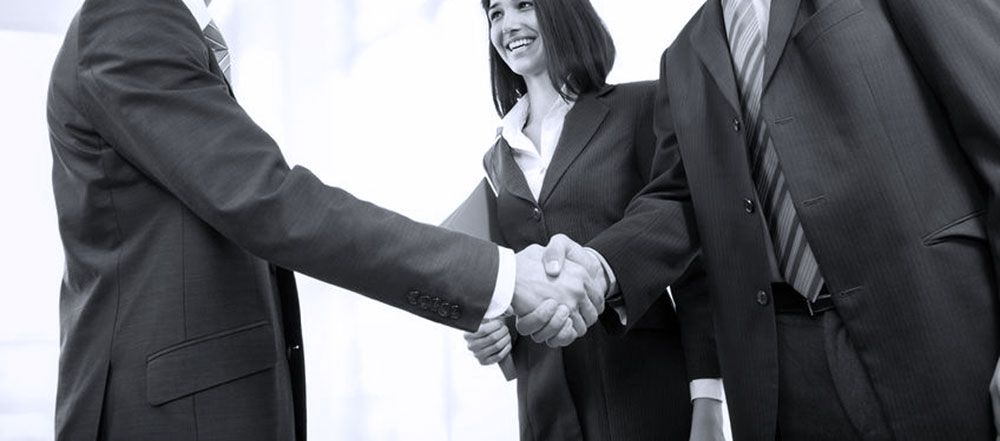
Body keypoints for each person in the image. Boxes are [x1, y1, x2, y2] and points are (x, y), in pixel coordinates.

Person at [44, 0, 607, 439]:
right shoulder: (130, 23)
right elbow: (268, 201)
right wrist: (501, 280)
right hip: (170, 414)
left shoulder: (164, 30)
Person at [544, 0, 1000, 439]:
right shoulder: (682, 57)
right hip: (780, 371)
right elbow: (679, 196)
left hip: (937, 329)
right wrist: (598, 266)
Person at [462, 1, 724, 440]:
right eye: (496, 14)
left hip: (644, 400)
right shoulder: (498, 156)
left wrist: (709, 403)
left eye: (523, 5)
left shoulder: (640, 106)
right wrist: (494, 330)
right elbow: (519, 281)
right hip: (546, 414)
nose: (509, 25)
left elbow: (691, 264)